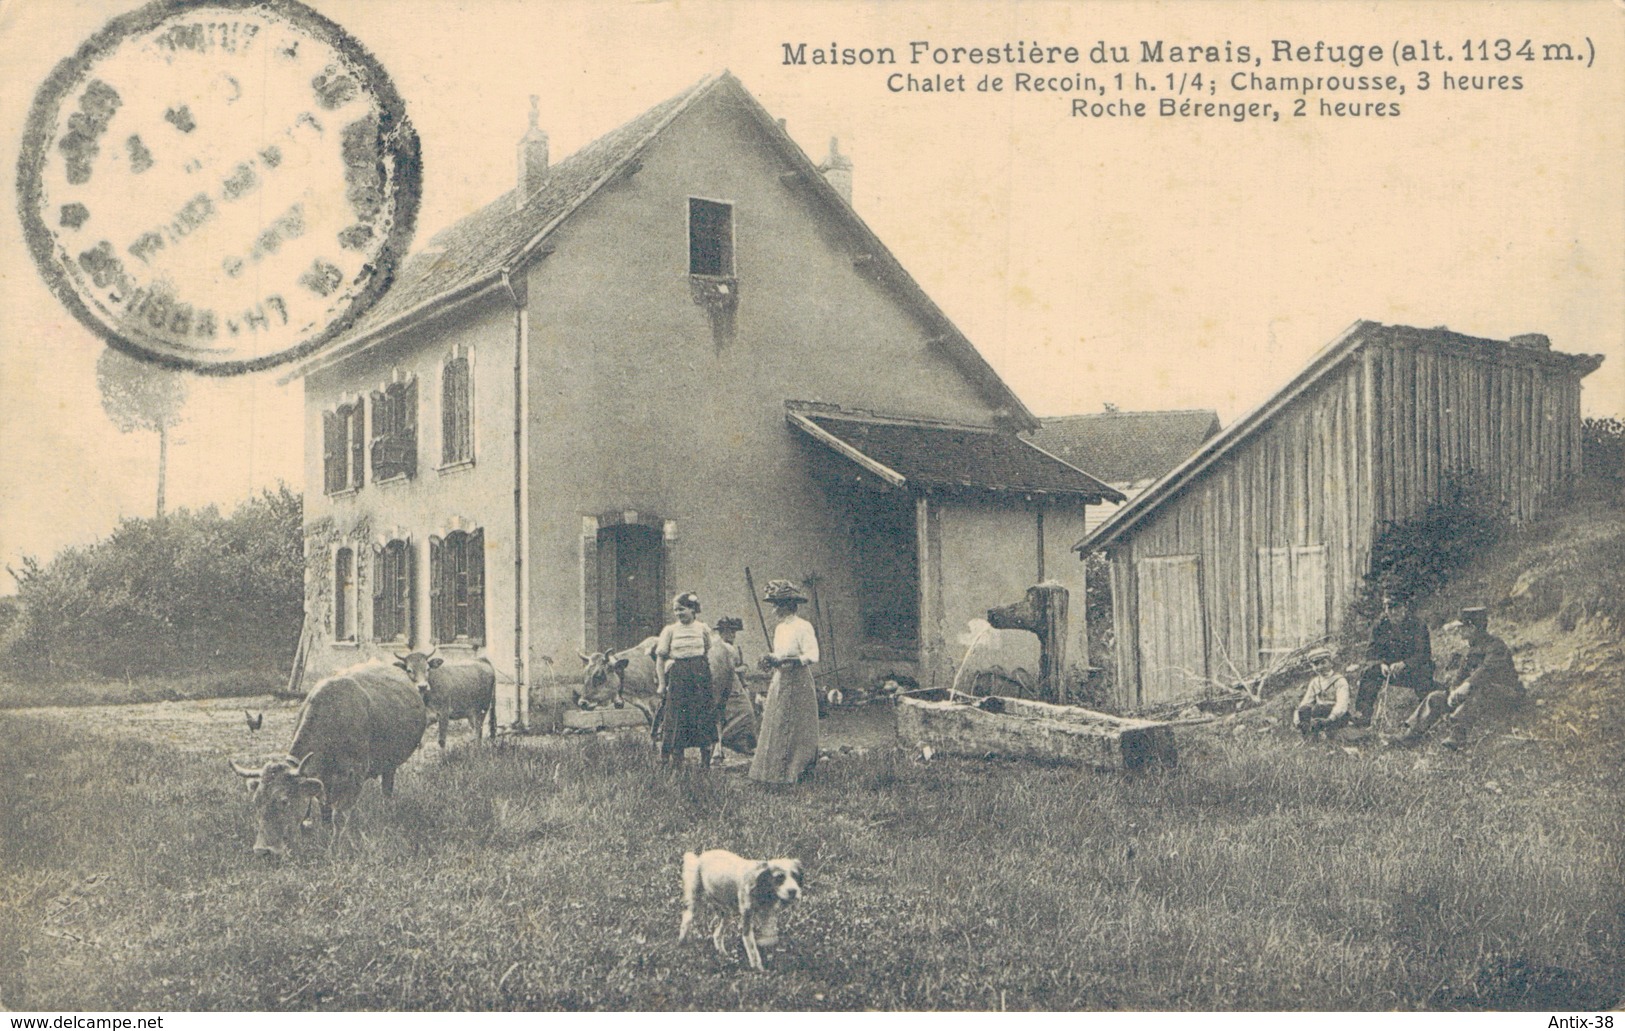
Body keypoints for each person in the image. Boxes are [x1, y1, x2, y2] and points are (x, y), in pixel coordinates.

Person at [1401, 606, 1525, 749]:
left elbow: (1486, 671)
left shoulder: (1496, 646)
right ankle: (1410, 735)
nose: (1459, 631)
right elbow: (1460, 677)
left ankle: (1458, 735)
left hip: (1505, 695)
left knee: (1480, 689)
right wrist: (1453, 692)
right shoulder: (1471, 650)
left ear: (1472, 628)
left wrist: (1466, 686)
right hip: (1479, 695)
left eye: (1462, 627)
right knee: (1436, 697)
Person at [749, 580, 820, 785]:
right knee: (777, 721)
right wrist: (770, 658)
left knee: (797, 724)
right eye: (774, 605)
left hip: (798, 680)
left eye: (778, 604)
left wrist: (789, 660)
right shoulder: (780, 628)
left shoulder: (803, 626)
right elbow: (780, 653)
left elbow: (813, 654)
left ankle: (795, 771)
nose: (774, 610)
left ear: (789, 605)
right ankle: (773, 772)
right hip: (781, 679)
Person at [1353, 592, 1435, 724]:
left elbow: (1424, 654)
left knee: (1425, 674)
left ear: (1404, 607)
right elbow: (1370, 653)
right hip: (1388, 670)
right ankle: (1362, 716)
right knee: (1368, 672)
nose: (1392, 612)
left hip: (1412, 669)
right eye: (1388, 608)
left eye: (1396, 607)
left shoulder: (1418, 625)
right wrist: (1381, 664)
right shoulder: (1380, 626)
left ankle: (1425, 719)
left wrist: (1405, 663)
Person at [655, 591, 716, 768]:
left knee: (702, 716)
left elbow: (707, 650)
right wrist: (661, 683)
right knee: (677, 719)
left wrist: (701, 671)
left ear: (692, 609)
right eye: (675, 610)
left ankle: (705, 762)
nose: (678, 614)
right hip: (679, 677)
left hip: (699, 676)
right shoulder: (670, 631)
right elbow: (660, 658)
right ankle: (677, 762)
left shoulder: (703, 628)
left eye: (682, 609)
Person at [710, 616, 758, 759]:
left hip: (734, 683)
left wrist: (744, 683)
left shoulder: (735, 648)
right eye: (728, 632)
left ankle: (741, 743)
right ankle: (718, 749)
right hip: (720, 683)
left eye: (733, 632)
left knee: (746, 712)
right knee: (718, 715)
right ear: (721, 633)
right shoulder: (715, 648)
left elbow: (741, 666)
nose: (732, 635)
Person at [1294, 646, 1352, 739]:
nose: (1320, 667)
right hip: (1320, 713)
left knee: (1334, 733)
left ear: (1331, 663)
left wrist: (1330, 719)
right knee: (1304, 710)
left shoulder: (1339, 680)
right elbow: (1306, 701)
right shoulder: (1315, 682)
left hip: (1336, 715)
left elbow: (1342, 704)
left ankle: (1329, 734)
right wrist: (1297, 718)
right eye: (1316, 664)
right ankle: (1308, 736)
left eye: (1323, 663)